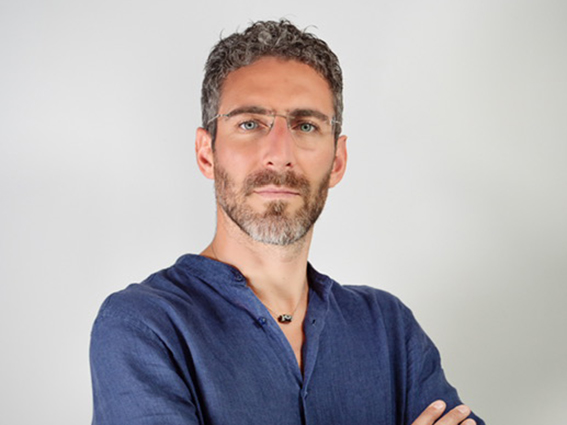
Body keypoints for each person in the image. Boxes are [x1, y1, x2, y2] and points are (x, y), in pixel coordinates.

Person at [90, 19, 484, 425]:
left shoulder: (387, 328)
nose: (279, 154)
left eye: (306, 126)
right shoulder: (144, 325)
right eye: (249, 124)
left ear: (337, 161)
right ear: (207, 153)